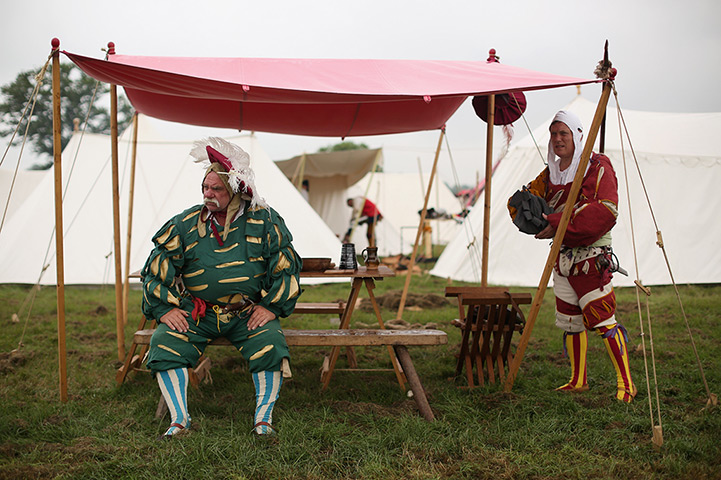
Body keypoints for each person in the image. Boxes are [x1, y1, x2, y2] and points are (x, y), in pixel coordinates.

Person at [141, 137, 302, 439]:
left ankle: (263, 420)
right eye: (205, 187)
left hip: (245, 312)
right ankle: (179, 420)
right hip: (197, 312)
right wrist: (164, 309)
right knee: (164, 343)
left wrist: (270, 307)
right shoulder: (184, 223)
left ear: (235, 191)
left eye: (216, 189)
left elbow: (286, 265)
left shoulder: (264, 219)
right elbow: (156, 267)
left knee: (271, 344)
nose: (208, 194)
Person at [507, 110, 636, 403]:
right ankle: (578, 380)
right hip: (562, 257)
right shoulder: (549, 174)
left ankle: (626, 384)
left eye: (564, 133)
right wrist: (532, 217)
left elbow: (604, 210)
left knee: (603, 320)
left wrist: (554, 221)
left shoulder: (597, 166)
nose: (557, 139)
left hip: (591, 256)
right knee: (571, 322)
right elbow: (526, 201)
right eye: (553, 134)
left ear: (578, 135)